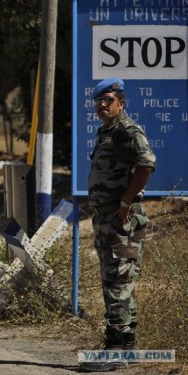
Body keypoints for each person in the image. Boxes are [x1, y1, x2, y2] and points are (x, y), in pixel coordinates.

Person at [79, 78, 156, 372]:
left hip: (122, 221)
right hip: (108, 221)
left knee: (117, 284)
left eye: (107, 100)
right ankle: (126, 348)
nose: (101, 105)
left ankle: (114, 351)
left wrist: (125, 201)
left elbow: (147, 163)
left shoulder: (127, 131)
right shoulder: (106, 132)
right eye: (98, 101)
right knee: (121, 284)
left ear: (120, 104)